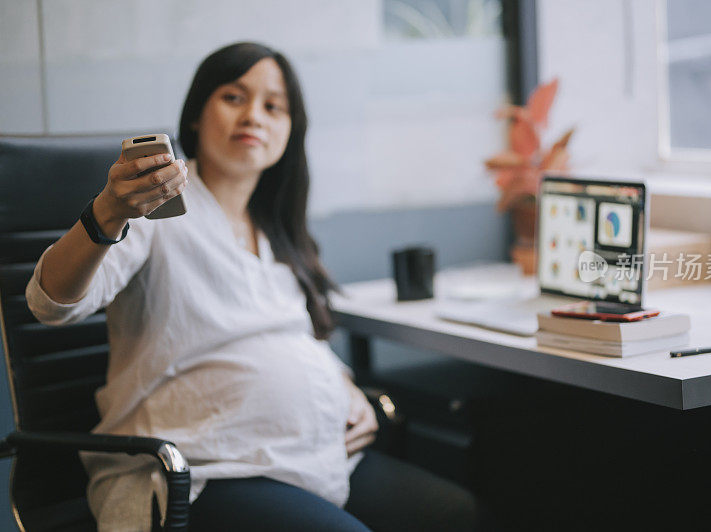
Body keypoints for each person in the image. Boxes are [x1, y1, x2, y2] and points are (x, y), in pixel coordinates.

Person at [25, 42, 485, 531]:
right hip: (204, 468)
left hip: (309, 456)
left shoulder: (279, 231)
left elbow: (293, 340)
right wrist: (108, 214)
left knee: (456, 514)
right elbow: (50, 304)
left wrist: (348, 390)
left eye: (273, 106)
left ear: (290, 130)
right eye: (233, 97)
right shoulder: (156, 209)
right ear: (197, 115)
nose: (254, 116)